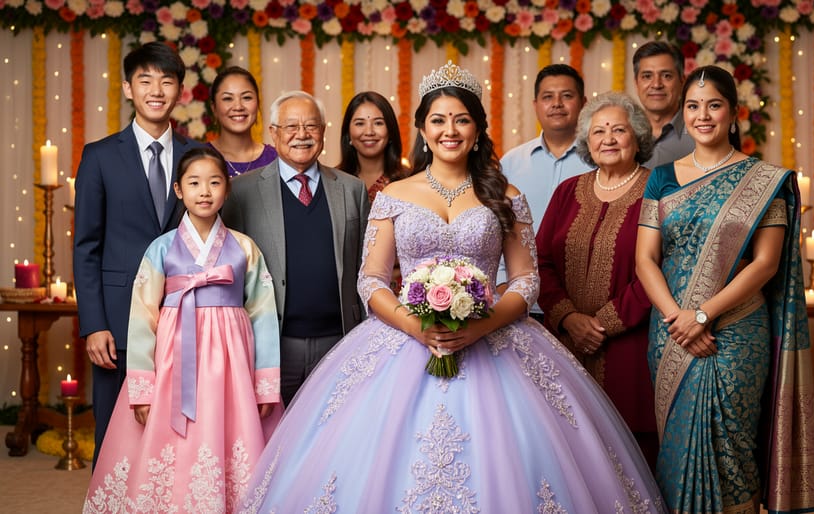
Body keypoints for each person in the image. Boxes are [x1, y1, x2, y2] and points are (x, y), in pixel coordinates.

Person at [237, 62, 665, 513]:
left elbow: (526, 279)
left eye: (461, 119)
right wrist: (416, 327)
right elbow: (371, 280)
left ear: (477, 129)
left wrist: (482, 327)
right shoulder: (394, 195)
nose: (450, 130)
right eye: (438, 120)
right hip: (405, 341)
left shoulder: (506, 194)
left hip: (494, 340)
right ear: (423, 130)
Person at [634, 65, 814, 513]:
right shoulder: (661, 177)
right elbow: (645, 259)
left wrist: (703, 314)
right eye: (693, 106)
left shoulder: (764, 180)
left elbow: (766, 263)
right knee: (677, 448)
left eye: (713, 105)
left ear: (733, 114)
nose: (703, 116)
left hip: (735, 333)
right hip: (672, 332)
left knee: (734, 448)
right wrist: (679, 318)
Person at [84, 147, 282, 512]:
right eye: (194, 183)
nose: (204, 191)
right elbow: (142, 318)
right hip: (175, 360)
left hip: (231, 366)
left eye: (214, 182)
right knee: (172, 443)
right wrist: (142, 388)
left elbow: (263, 314)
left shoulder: (244, 248)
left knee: (230, 436)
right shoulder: (161, 249)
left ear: (227, 189)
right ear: (178, 190)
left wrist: (265, 382)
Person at [73, 41, 203, 464]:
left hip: (184, 319)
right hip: (118, 322)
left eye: (167, 81)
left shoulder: (198, 157)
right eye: (145, 80)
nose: (156, 90)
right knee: (115, 436)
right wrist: (94, 324)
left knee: (177, 440)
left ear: (180, 91)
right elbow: (86, 246)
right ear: (129, 88)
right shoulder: (99, 157)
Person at [221, 91, 369, 406]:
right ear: (273, 133)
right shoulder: (241, 192)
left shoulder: (353, 190)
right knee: (272, 439)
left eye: (311, 126)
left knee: (334, 435)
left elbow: (364, 267)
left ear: (324, 132)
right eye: (291, 127)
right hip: (272, 343)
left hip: (339, 340)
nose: (301, 135)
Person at [536, 91, 657, 470]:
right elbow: (538, 260)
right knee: (565, 456)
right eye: (598, 131)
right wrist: (569, 319)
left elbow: (663, 268)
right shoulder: (567, 192)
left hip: (631, 347)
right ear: (586, 141)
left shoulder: (660, 193)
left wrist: (603, 324)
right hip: (565, 342)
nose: (608, 138)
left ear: (637, 137)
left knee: (631, 461)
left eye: (618, 130)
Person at [499, 63, 591, 320]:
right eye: (548, 97)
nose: (557, 104)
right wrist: (501, 286)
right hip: (517, 302)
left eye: (567, 96)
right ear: (535, 104)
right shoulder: (511, 163)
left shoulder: (599, 160)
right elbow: (494, 228)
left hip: (581, 308)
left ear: (583, 103)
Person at [337, 91, 408, 202]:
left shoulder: (408, 181)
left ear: (390, 130)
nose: (369, 132)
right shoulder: (333, 181)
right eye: (360, 123)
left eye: (378, 123)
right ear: (348, 133)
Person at [633, 41, 694, 169]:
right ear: (636, 83)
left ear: (682, 81)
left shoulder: (701, 131)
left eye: (666, 76)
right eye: (647, 76)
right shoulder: (622, 133)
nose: (656, 84)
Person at [207, 66, 277, 176]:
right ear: (214, 108)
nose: (238, 107)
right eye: (228, 99)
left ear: (258, 104)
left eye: (246, 98)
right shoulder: (199, 157)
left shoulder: (276, 159)